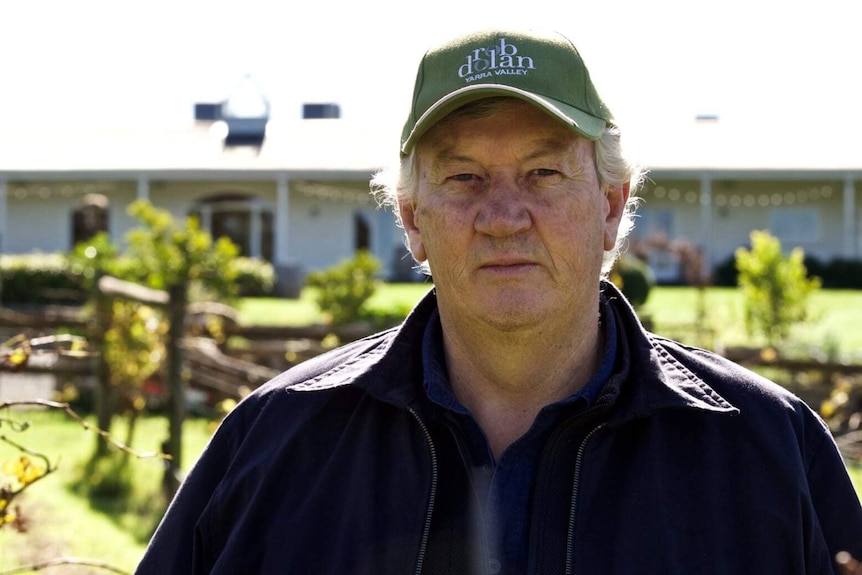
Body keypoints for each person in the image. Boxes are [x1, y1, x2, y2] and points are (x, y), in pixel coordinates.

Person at [136, 28, 862, 574]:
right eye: (464, 178)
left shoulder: (770, 449)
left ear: (612, 207)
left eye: (544, 172)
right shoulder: (272, 445)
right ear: (413, 218)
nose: (504, 215)